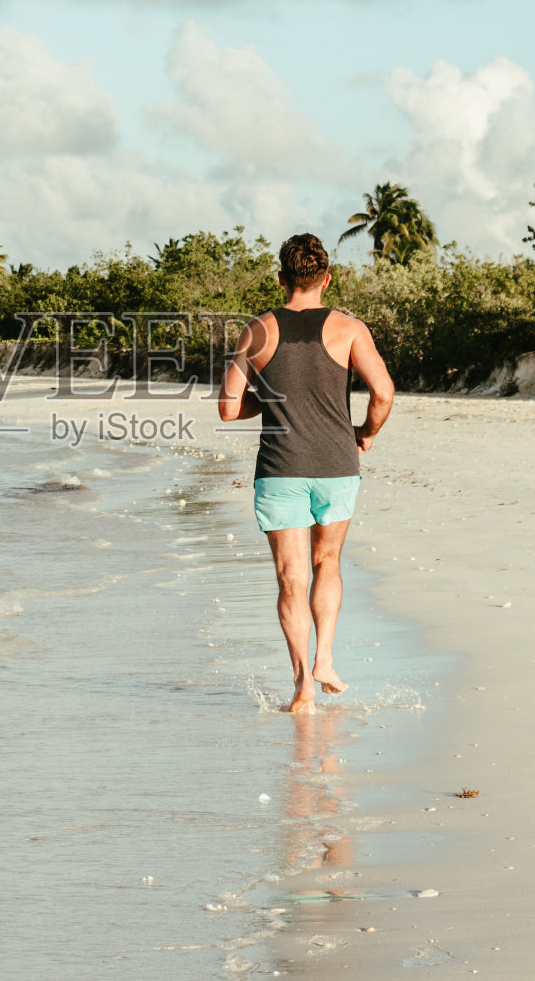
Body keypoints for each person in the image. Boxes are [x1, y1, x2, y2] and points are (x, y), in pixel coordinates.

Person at [218, 233, 395, 714]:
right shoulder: (350, 329)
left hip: (280, 469)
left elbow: (228, 409)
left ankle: (301, 689)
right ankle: (327, 659)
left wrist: (271, 399)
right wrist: (366, 431)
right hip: (337, 464)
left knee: (290, 578)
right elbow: (383, 392)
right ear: (327, 278)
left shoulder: (257, 330)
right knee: (327, 564)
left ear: (281, 278)